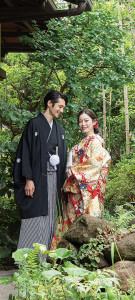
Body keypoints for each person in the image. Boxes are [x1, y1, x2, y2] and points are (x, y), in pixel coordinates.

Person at [14, 90, 68, 251]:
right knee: (34, 215)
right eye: (60, 106)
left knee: (50, 215)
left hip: (54, 178)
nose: (62, 110)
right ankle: (27, 262)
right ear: (49, 104)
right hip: (36, 178)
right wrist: (28, 179)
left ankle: (42, 260)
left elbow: (63, 156)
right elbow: (25, 152)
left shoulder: (60, 130)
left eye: (64, 107)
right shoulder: (34, 124)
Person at [62, 109, 111, 226]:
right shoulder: (82, 142)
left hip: (88, 188)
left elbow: (95, 164)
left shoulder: (95, 141)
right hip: (76, 187)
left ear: (94, 122)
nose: (83, 124)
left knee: (88, 224)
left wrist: (73, 171)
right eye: (80, 121)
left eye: (86, 120)